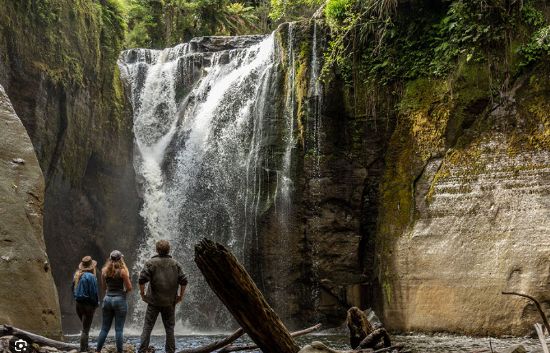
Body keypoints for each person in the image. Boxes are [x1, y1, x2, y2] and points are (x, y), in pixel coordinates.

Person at [138, 240, 188, 353]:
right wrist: (180, 295)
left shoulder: (151, 263)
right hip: (169, 302)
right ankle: (170, 351)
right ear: (169, 250)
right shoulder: (175, 264)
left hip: (154, 302)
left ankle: (142, 350)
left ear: (157, 250)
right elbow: (184, 281)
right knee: (170, 329)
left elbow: (141, 280)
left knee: (147, 327)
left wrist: (143, 294)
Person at [96, 250, 133, 353]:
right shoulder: (122, 272)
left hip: (107, 299)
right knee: (119, 329)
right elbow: (129, 288)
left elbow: (104, 288)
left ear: (110, 259)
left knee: (104, 328)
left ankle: (97, 350)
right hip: (120, 300)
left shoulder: (104, 271)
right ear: (120, 259)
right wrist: (123, 292)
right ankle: (119, 351)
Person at [72, 256, 100, 352]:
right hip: (88, 305)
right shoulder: (91, 277)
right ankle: (83, 349)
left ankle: (85, 347)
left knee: (85, 327)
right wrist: (96, 304)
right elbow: (94, 293)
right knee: (85, 329)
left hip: (78, 304)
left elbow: (73, 289)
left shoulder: (77, 275)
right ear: (92, 267)